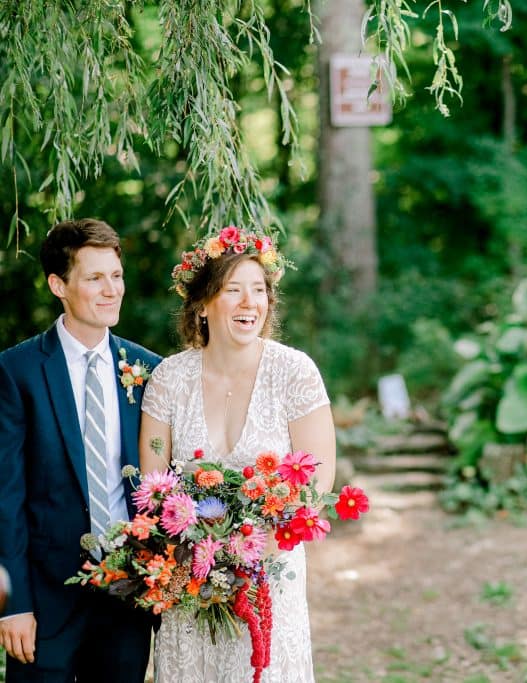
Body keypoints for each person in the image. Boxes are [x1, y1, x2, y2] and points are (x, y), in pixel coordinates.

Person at [139, 226, 335, 683]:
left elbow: (317, 481)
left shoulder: (295, 372)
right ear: (204, 304)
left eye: (259, 290)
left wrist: (272, 537)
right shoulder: (169, 379)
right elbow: (153, 485)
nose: (251, 302)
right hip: (190, 576)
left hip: (268, 574)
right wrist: (192, 545)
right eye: (233, 290)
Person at [0, 219, 160, 681]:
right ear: (58, 285)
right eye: (94, 278)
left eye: (116, 275)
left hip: (129, 594)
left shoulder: (148, 370)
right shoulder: (17, 372)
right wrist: (13, 606)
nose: (111, 290)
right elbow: (4, 498)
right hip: (44, 602)